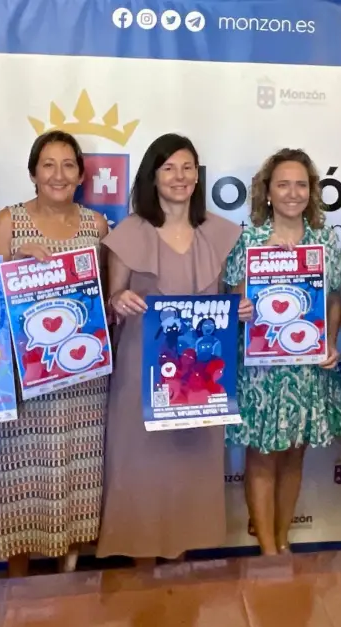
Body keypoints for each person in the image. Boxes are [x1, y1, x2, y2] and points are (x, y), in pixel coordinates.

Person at [100, 133, 244, 561]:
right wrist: (118, 301)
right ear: (152, 176)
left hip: (202, 374)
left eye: (187, 168)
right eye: (169, 168)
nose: (180, 177)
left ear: (198, 175)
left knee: (190, 466)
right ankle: (142, 563)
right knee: (142, 468)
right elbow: (111, 301)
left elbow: (235, 300)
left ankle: (180, 564)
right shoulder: (129, 233)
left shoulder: (221, 233)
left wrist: (242, 309)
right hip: (141, 370)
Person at [0, 130, 109, 575]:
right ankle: (17, 581)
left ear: (81, 174)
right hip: (28, 376)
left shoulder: (97, 226)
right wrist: (13, 264)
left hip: (84, 376)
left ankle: (68, 575)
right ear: (33, 173)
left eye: (68, 165)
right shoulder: (9, 221)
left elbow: (106, 295)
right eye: (48, 165)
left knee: (79, 475)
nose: (59, 174)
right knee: (22, 478)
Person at [223, 149, 341, 555]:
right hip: (261, 369)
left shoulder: (324, 240)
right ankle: (266, 552)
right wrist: (245, 298)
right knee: (261, 456)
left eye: (301, 185)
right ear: (268, 192)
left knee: (295, 456)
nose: (293, 193)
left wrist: (331, 343)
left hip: (307, 367)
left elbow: (333, 301)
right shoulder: (249, 239)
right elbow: (235, 299)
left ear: (312, 191)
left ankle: (282, 540)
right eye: (283, 185)